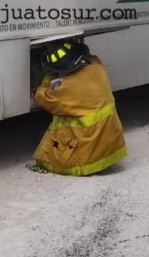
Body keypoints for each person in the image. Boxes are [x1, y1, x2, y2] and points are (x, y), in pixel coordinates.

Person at [32, 39, 126, 176]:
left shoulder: (64, 89)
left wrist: (47, 78)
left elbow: (42, 99)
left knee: (60, 119)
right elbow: (91, 57)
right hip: (111, 145)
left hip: (85, 157)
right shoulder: (97, 67)